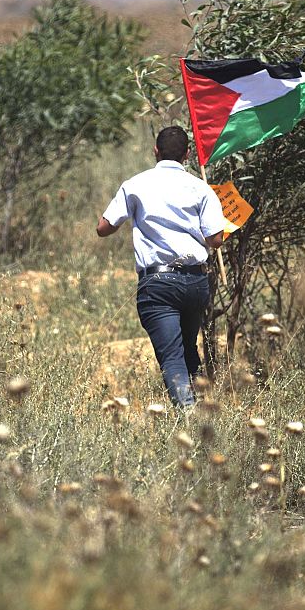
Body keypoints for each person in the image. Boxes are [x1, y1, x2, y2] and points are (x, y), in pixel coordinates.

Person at [96, 126, 227, 408]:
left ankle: (189, 417)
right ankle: (203, 407)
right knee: (188, 348)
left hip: (158, 285)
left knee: (171, 356)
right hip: (195, 283)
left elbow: (103, 228)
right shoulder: (200, 187)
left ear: (155, 151)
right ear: (187, 154)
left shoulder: (135, 184)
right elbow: (215, 240)